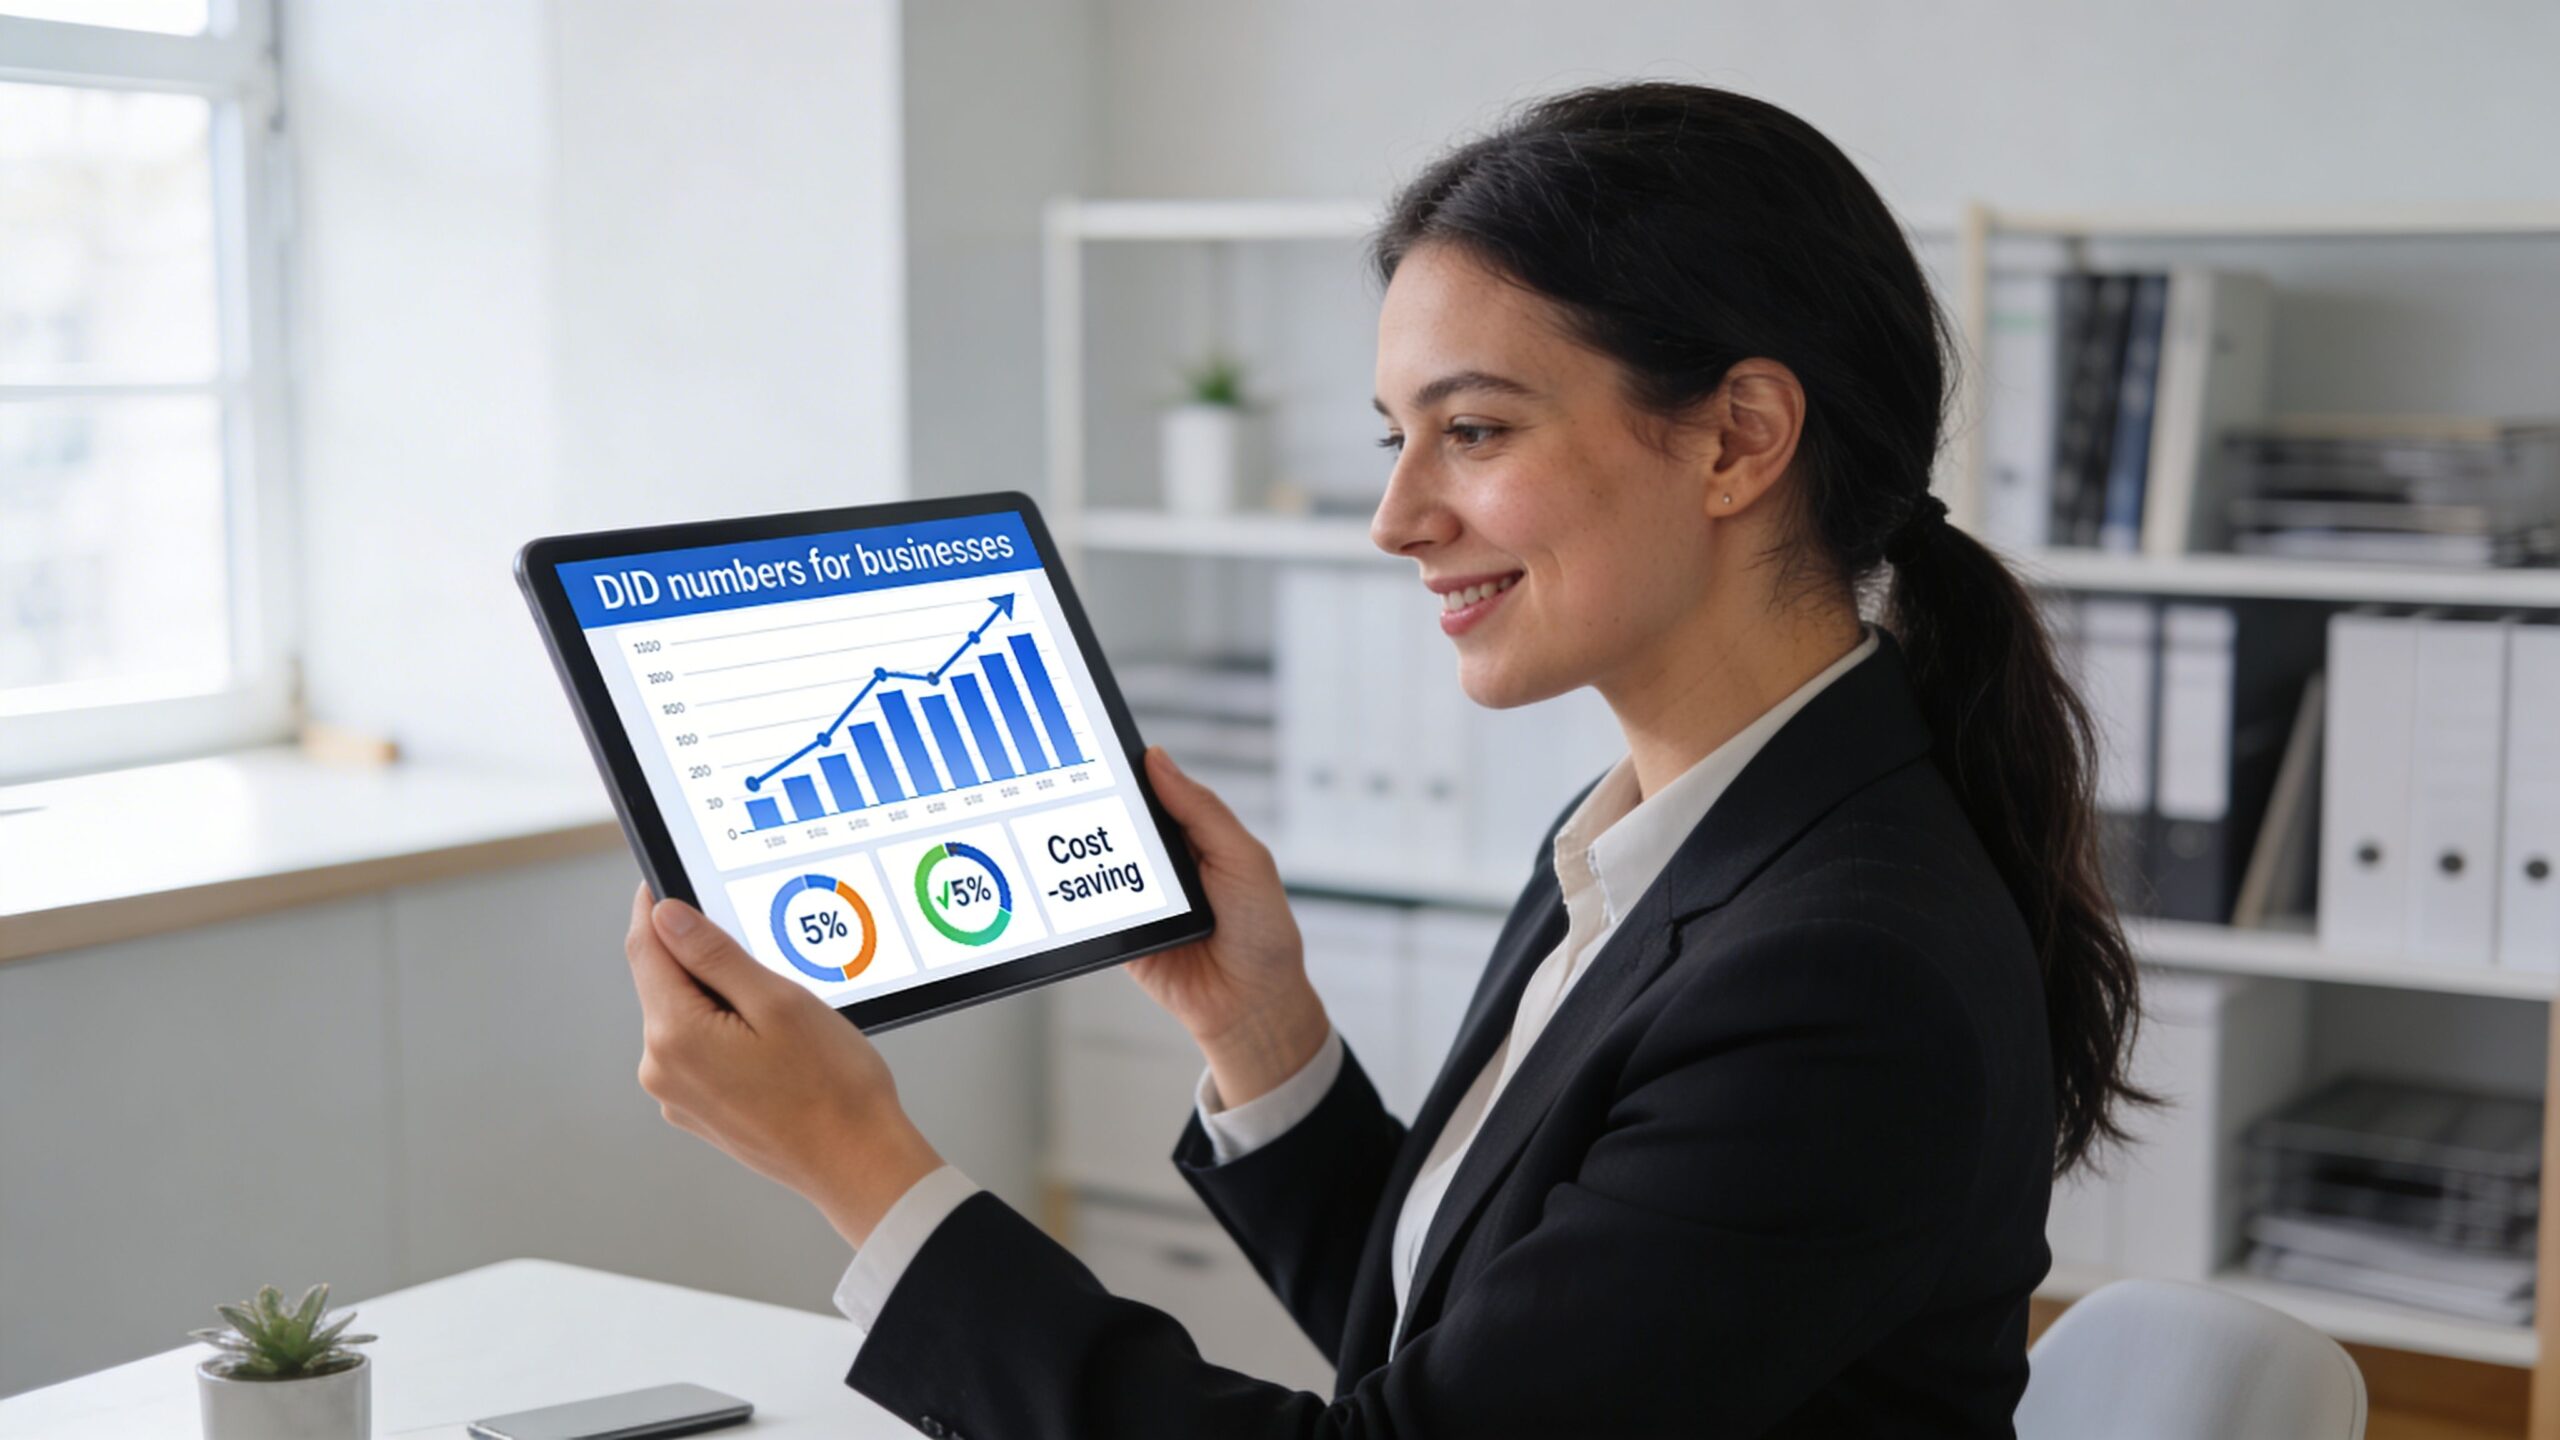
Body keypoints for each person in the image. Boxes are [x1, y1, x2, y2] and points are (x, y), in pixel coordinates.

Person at [619, 80, 2149, 1438]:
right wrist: (1265, 1034)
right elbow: (1466, 1344)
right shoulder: (1663, 837)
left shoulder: (1842, 974)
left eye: (1472, 431)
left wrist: (853, 1158)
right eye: (1392, 439)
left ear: (1738, 439)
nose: (1398, 515)